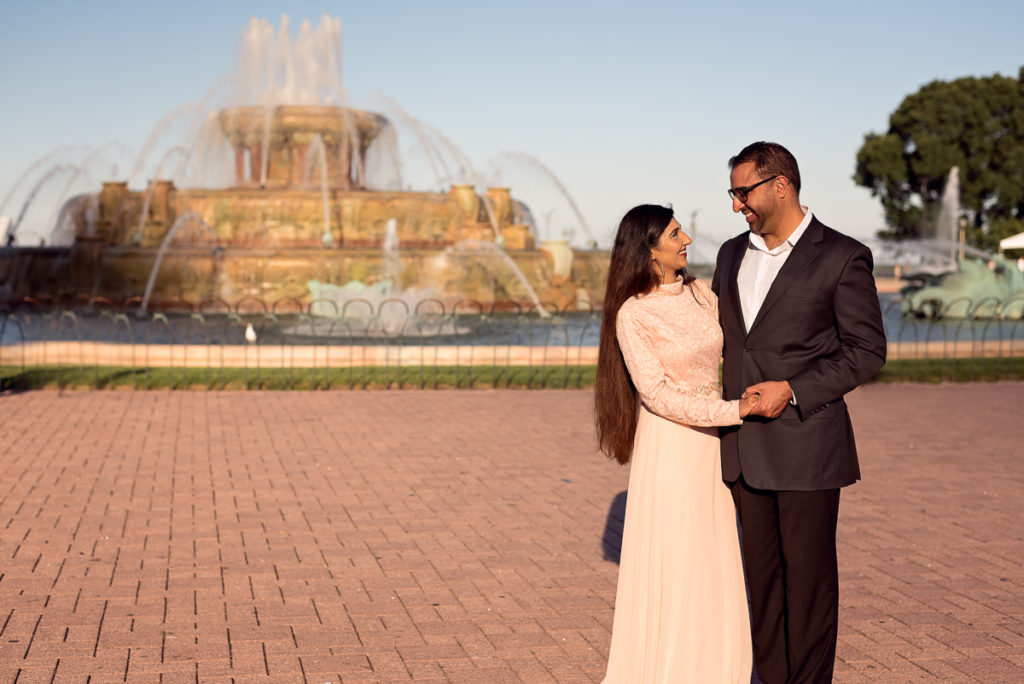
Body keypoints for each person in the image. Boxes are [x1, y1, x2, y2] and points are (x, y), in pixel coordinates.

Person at [712, 142, 887, 683]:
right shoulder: (728, 254)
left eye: (744, 192)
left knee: (808, 589)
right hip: (742, 450)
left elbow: (866, 351)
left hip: (807, 448)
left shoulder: (841, 255)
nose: (737, 204)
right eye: (733, 193)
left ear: (780, 185)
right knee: (761, 589)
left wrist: (792, 387)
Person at [595, 204, 759, 683]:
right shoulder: (634, 314)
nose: (687, 237)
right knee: (681, 562)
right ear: (648, 251)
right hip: (674, 446)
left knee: (717, 555)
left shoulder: (700, 293)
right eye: (674, 232)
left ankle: (721, 668)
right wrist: (733, 413)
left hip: (714, 445)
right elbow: (657, 395)